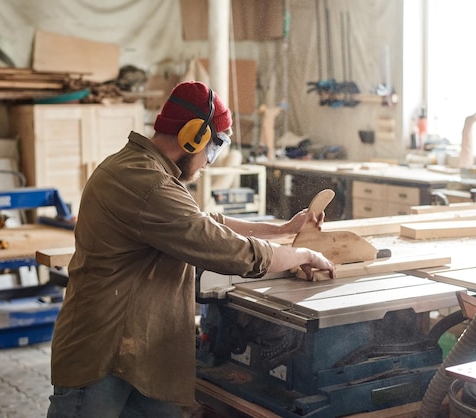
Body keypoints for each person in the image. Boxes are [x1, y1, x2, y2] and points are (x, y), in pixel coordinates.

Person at [46, 81, 335, 418]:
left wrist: (282, 230)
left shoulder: (140, 169)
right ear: (193, 136)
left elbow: (203, 222)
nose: (209, 162)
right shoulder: (148, 184)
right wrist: (303, 255)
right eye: (213, 148)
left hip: (138, 350)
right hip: (103, 354)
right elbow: (228, 250)